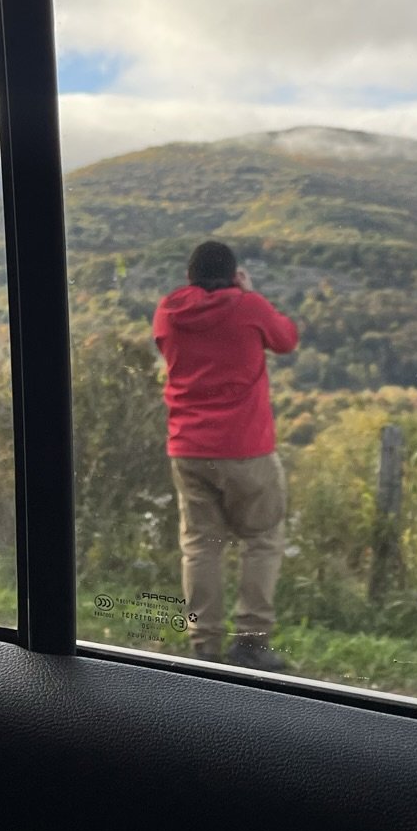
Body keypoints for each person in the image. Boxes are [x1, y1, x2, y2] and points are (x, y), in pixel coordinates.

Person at [152, 239, 299, 670]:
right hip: (246, 449)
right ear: (235, 275)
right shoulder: (247, 306)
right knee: (262, 540)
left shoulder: (168, 310)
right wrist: (249, 293)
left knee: (201, 545)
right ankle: (251, 644)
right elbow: (286, 339)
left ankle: (204, 645)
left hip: (189, 449)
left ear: (189, 277)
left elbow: (167, 348)